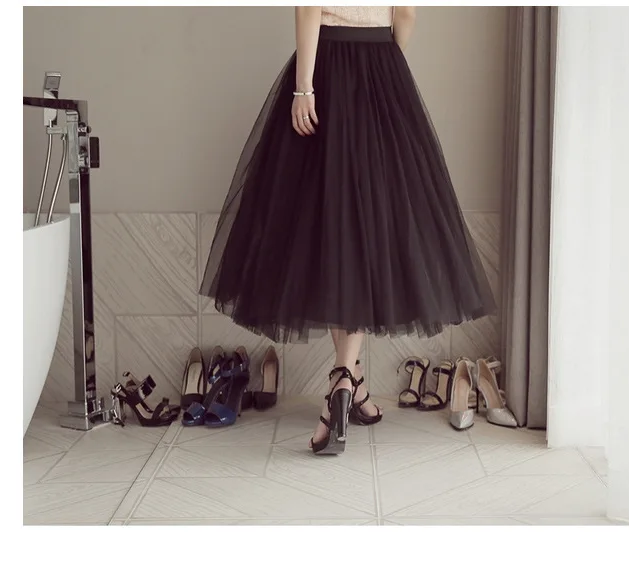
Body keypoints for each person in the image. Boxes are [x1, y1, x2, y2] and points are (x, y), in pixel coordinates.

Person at [200, 6, 495, 455]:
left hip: (326, 67)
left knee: (331, 227)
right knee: (361, 229)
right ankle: (351, 381)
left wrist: (304, 88)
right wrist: (385, 65)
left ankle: (341, 379)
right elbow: (407, 13)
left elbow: (309, 8)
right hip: (382, 67)